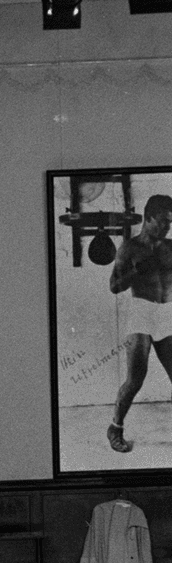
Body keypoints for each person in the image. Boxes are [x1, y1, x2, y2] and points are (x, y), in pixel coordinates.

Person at [107, 193, 172, 452]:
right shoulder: (129, 248)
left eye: (171, 222)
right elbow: (114, 286)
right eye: (164, 221)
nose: (168, 227)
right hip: (141, 313)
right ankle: (115, 428)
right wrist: (135, 271)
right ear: (148, 218)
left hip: (167, 313)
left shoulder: (171, 247)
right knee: (135, 379)